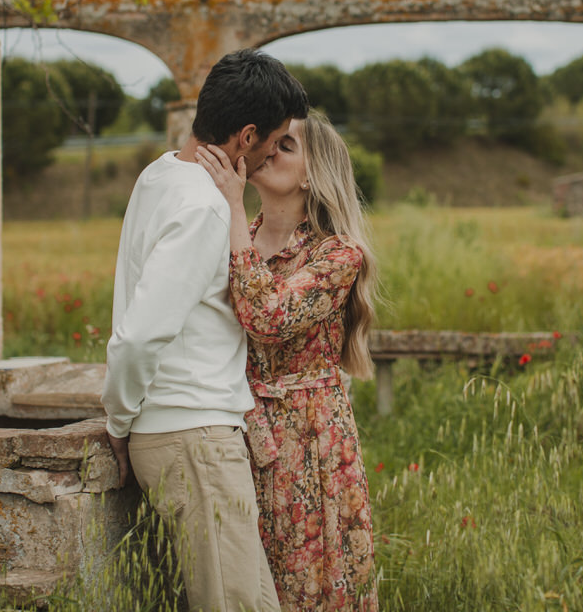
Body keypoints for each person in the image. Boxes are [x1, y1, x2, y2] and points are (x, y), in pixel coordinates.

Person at [101, 48, 308, 612]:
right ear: (245, 137)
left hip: (189, 435)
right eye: (274, 139)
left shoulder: (160, 174)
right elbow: (141, 334)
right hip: (194, 437)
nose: (272, 153)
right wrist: (119, 419)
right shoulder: (204, 207)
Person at [195, 109, 380, 610]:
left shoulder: (338, 255)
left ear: (312, 173)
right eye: (271, 140)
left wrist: (232, 207)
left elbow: (268, 320)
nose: (269, 150)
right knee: (242, 583)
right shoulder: (231, 237)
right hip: (236, 429)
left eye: (287, 146)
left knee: (308, 583)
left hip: (311, 439)